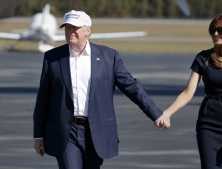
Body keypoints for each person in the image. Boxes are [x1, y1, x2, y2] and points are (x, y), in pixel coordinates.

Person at [33, 10, 169, 169]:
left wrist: (155, 113)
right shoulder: (53, 57)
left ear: (87, 31)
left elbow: (131, 86)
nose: (69, 32)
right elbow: (43, 98)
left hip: (95, 130)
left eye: (74, 28)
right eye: (67, 28)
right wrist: (38, 135)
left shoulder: (108, 57)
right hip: (65, 132)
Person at [162, 12, 222, 169]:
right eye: (212, 29)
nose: (215, 33)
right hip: (209, 125)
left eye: (220, 30)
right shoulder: (203, 58)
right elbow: (187, 93)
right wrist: (166, 113)